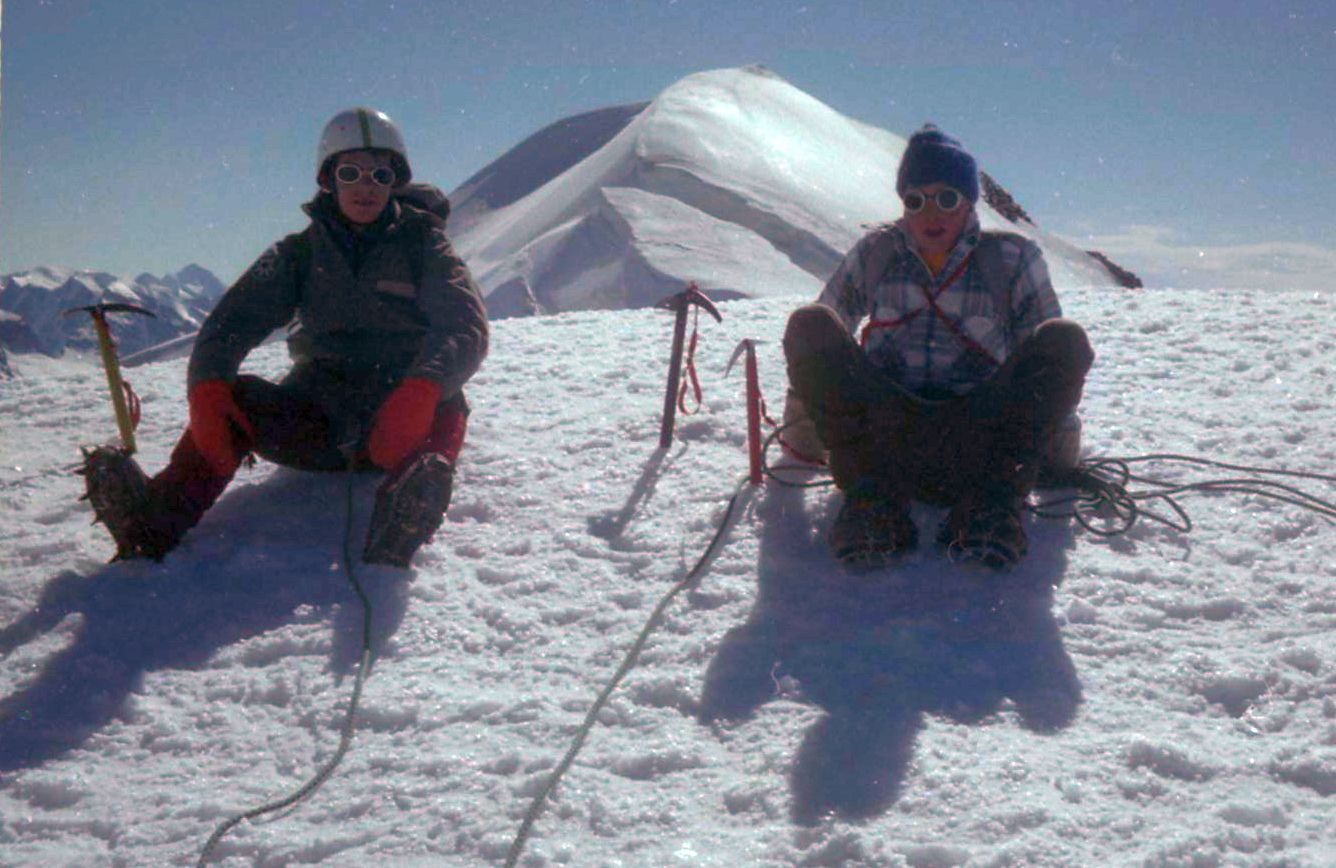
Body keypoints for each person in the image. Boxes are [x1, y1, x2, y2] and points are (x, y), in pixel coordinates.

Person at [82, 107, 489, 567]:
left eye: (380, 173)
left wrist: (422, 387)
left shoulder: (426, 246)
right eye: (350, 171)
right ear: (328, 178)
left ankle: (401, 522)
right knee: (236, 400)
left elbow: (464, 325)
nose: (366, 185)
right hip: (318, 417)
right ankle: (152, 524)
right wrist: (208, 385)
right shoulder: (298, 254)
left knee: (445, 404)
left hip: (401, 422)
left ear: (395, 179)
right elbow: (231, 322)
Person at [781, 124, 1093, 570]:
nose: (931, 212)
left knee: (1066, 340)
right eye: (915, 199)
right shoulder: (877, 252)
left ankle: (991, 504)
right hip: (884, 436)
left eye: (946, 197)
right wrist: (808, 405)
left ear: (968, 202)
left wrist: (1057, 439)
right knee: (808, 326)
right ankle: (872, 502)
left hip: (981, 434)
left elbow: (1044, 357)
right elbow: (826, 326)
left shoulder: (1012, 258)